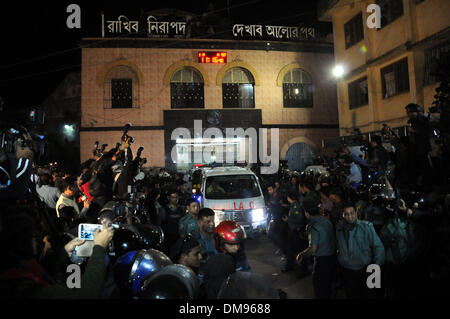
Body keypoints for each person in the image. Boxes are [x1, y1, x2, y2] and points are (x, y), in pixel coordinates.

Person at [0, 210, 115, 298]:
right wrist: (99, 247)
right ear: (20, 242)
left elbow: (48, 272)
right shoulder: (19, 288)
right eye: (33, 236)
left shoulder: (24, 266)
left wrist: (65, 251)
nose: (43, 241)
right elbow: (85, 294)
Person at [336, 203, 385, 299]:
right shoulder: (339, 228)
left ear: (356, 213)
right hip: (347, 270)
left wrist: (377, 266)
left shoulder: (366, 227)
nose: (349, 216)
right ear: (342, 215)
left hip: (365, 269)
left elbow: (378, 247)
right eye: (346, 214)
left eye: (352, 213)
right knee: (352, 294)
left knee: (369, 294)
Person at [296, 199, 336, 299]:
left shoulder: (314, 226)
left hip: (322, 260)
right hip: (332, 257)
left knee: (319, 286)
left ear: (307, 213)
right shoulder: (327, 221)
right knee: (327, 284)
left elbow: (313, 249)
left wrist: (302, 254)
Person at [160, 188, 185, 254]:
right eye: (173, 197)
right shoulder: (164, 209)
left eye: (177, 197)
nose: (176, 199)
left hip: (179, 237)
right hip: (168, 238)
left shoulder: (181, 208)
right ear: (169, 198)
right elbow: (159, 223)